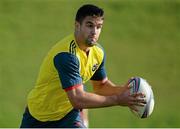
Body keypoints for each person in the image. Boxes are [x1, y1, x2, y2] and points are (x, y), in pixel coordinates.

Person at [20, 4, 146, 128]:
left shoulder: (98, 53)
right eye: (89, 25)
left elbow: (101, 86)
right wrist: (118, 99)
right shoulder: (67, 55)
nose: (94, 32)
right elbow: (77, 99)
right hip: (37, 117)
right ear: (77, 25)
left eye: (99, 27)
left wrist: (126, 93)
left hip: (67, 116)